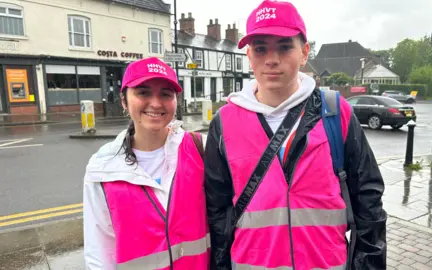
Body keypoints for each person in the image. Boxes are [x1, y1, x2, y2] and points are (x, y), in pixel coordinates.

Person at [204, 1, 387, 269]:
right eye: (260, 48)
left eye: (284, 46)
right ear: (249, 56)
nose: (271, 59)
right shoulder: (224, 122)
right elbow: (217, 212)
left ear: (304, 53)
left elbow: (368, 200)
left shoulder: (335, 112)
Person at [83, 57, 209, 269]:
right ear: (124, 100)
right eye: (143, 92)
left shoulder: (201, 148)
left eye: (166, 94)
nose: (156, 103)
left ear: (176, 101)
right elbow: (99, 252)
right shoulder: (102, 168)